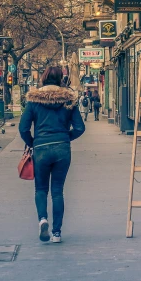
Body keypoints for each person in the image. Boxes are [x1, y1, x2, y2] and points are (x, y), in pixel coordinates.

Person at [20, 67, 86, 243]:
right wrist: (65, 137)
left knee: (41, 189)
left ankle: (42, 219)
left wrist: (32, 141)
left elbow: (23, 128)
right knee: (58, 191)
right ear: (60, 80)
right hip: (62, 148)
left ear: (43, 79)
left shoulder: (34, 101)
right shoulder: (68, 100)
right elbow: (80, 128)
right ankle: (57, 233)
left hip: (41, 148)